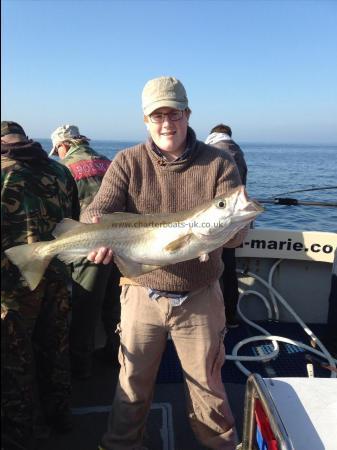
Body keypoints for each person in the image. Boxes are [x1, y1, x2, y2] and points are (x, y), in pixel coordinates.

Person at [81, 76, 249, 450]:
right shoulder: (128, 161)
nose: (167, 123)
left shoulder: (219, 163)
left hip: (201, 295)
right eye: (157, 116)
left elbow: (236, 235)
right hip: (141, 292)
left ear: (188, 114)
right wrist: (93, 227)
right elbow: (100, 208)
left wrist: (234, 224)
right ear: (145, 120)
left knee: (209, 389)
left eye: (174, 113)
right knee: (132, 386)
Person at [1, 121, 80, 450]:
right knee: (55, 350)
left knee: (13, 361)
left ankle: (19, 434)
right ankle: (60, 417)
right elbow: (72, 222)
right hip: (58, 279)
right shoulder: (61, 172)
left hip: (11, 287)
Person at [49, 125, 121, 379]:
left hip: (88, 248)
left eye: (58, 151)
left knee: (85, 306)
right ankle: (116, 354)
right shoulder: (111, 163)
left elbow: (62, 215)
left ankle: (80, 366)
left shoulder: (63, 169)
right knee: (115, 303)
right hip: (121, 244)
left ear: (63, 146)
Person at [205, 124, 248, 327]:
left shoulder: (213, 152)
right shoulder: (238, 151)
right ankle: (230, 316)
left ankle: (213, 319)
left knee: (211, 269)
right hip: (235, 222)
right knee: (229, 269)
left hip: (215, 223)